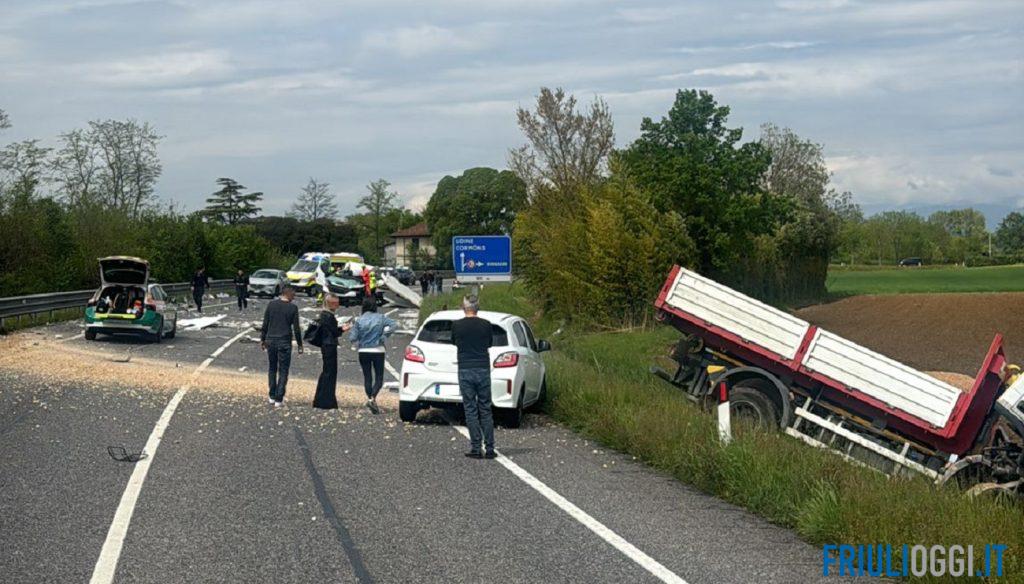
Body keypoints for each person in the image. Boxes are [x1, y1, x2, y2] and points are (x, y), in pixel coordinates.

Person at [451, 295, 495, 459]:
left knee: (470, 409)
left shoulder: (457, 325)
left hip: (465, 368)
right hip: (483, 368)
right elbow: (490, 343)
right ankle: (490, 448)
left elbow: (454, 342)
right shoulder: (486, 325)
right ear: (478, 307)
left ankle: (476, 447)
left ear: (464, 307)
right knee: (485, 408)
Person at [348, 296, 397, 414]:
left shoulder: (359, 320)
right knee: (379, 377)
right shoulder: (381, 317)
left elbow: (352, 338)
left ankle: (370, 399)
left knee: (367, 377)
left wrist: (359, 337)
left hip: (363, 351)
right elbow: (394, 325)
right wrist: (384, 336)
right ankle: (373, 398)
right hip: (378, 350)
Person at [260, 285, 303, 407]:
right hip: (284, 340)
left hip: (271, 340)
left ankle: (272, 395)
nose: (294, 296)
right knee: (283, 370)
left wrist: (262, 339)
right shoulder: (293, 308)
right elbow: (296, 328)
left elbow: (265, 323)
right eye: (293, 294)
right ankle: (279, 398)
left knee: (272, 368)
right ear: (287, 294)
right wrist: (300, 344)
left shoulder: (271, 305)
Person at [312, 295, 351, 410]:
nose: (338, 305)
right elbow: (334, 332)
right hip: (329, 345)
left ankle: (321, 399)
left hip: (325, 345)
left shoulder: (324, 315)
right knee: (330, 372)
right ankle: (326, 401)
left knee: (326, 372)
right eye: (336, 303)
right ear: (332, 304)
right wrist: (343, 329)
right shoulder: (328, 316)